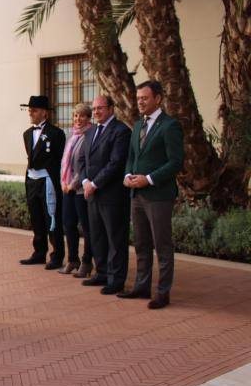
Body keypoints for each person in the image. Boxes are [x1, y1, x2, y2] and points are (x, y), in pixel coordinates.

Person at [121, 81, 184, 309]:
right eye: (138, 98)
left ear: (158, 98)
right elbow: (131, 156)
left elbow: (176, 162)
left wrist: (148, 178)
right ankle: (141, 286)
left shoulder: (170, 126)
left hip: (158, 195)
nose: (140, 102)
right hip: (136, 195)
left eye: (144, 98)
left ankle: (162, 292)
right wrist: (128, 174)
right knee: (141, 243)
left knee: (162, 245)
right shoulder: (138, 126)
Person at [77, 95, 132, 294]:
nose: (97, 111)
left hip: (112, 194)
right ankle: (101, 273)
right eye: (95, 108)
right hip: (92, 193)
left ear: (111, 109)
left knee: (115, 238)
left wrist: (95, 183)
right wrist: (84, 182)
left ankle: (116, 279)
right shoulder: (91, 132)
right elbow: (82, 160)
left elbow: (116, 163)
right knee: (97, 235)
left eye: (101, 108)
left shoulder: (121, 131)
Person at [19, 95, 66, 270]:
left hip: (48, 180)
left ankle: (57, 255)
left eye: (35, 110)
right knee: (36, 217)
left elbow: (59, 159)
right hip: (32, 180)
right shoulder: (27, 134)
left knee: (52, 218)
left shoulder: (56, 133)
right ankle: (39, 253)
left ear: (44, 113)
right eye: (29, 110)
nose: (31, 113)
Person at [59, 103, 93, 275]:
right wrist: (64, 183)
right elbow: (65, 163)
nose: (78, 119)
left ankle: (87, 263)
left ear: (88, 118)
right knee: (68, 224)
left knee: (86, 227)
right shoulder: (71, 135)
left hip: (80, 189)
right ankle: (73, 260)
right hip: (68, 189)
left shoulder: (90, 135)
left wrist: (74, 183)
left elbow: (86, 165)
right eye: (75, 116)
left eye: (82, 116)